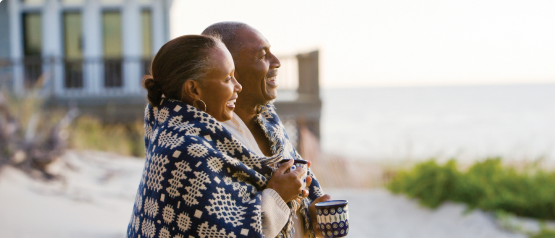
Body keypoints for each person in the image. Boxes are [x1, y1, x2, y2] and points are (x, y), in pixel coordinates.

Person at [127, 35, 310, 238]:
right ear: (193, 90)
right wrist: (277, 196)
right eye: (227, 78)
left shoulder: (179, 132)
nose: (237, 86)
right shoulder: (187, 150)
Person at [202, 22, 332, 238]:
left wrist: (309, 218)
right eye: (262, 56)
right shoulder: (202, 140)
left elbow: (295, 197)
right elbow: (215, 230)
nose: (277, 63)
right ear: (226, 67)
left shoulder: (269, 121)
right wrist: (277, 197)